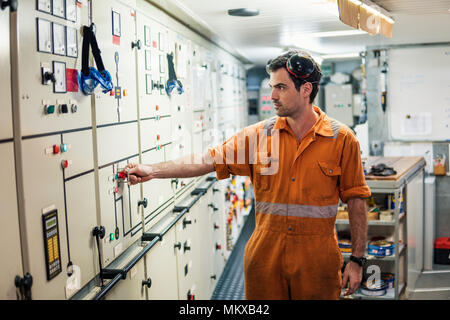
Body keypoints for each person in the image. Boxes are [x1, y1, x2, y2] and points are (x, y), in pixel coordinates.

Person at [125, 50, 371, 300]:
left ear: (306, 89)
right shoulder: (257, 136)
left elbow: (356, 200)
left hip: (317, 262)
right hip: (265, 260)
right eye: (272, 87)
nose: (272, 95)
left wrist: (357, 260)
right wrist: (153, 170)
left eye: (281, 87)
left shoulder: (341, 139)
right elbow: (206, 160)